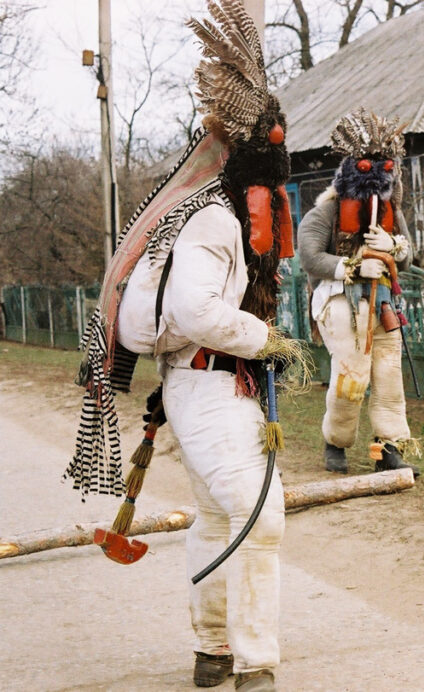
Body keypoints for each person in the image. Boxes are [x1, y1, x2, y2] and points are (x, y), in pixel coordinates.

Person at [68, 3, 297, 690]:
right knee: (262, 516)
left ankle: (212, 652)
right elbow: (195, 309)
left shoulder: (212, 215)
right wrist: (266, 339)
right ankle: (253, 662)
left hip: (207, 387)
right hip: (205, 385)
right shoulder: (215, 222)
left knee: (222, 515)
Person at [298, 109, 418, 477]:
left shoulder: (389, 212)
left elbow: (409, 254)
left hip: (381, 303)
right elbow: (309, 254)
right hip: (338, 300)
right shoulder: (328, 211)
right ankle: (336, 441)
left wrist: (394, 245)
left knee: (389, 375)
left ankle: (389, 447)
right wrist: (350, 267)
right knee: (352, 375)